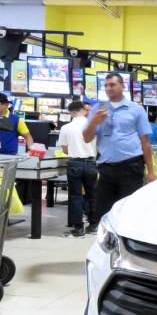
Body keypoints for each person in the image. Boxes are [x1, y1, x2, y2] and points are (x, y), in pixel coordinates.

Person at [84, 72, 154, 222]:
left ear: (122, 86)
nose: (109, 88)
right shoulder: (98, 109)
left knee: (129, 211)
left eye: (112, 85)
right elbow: (87, 137)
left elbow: (145, 142)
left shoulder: (135, 109)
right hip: (106, 168)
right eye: (106, 85)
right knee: (102, 212)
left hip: (131, 166)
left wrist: (151, 172)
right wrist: (94, 121)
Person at [57, 101, 98, 237]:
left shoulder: (66, 127)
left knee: (75, 196)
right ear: (83, 110)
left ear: (71, 112)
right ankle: (93, 225)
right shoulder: (94, 125)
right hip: (92, 163)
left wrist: (75, 149)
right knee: (92, 195)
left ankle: (78, 228)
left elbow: (64, 149)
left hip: (74, 163)